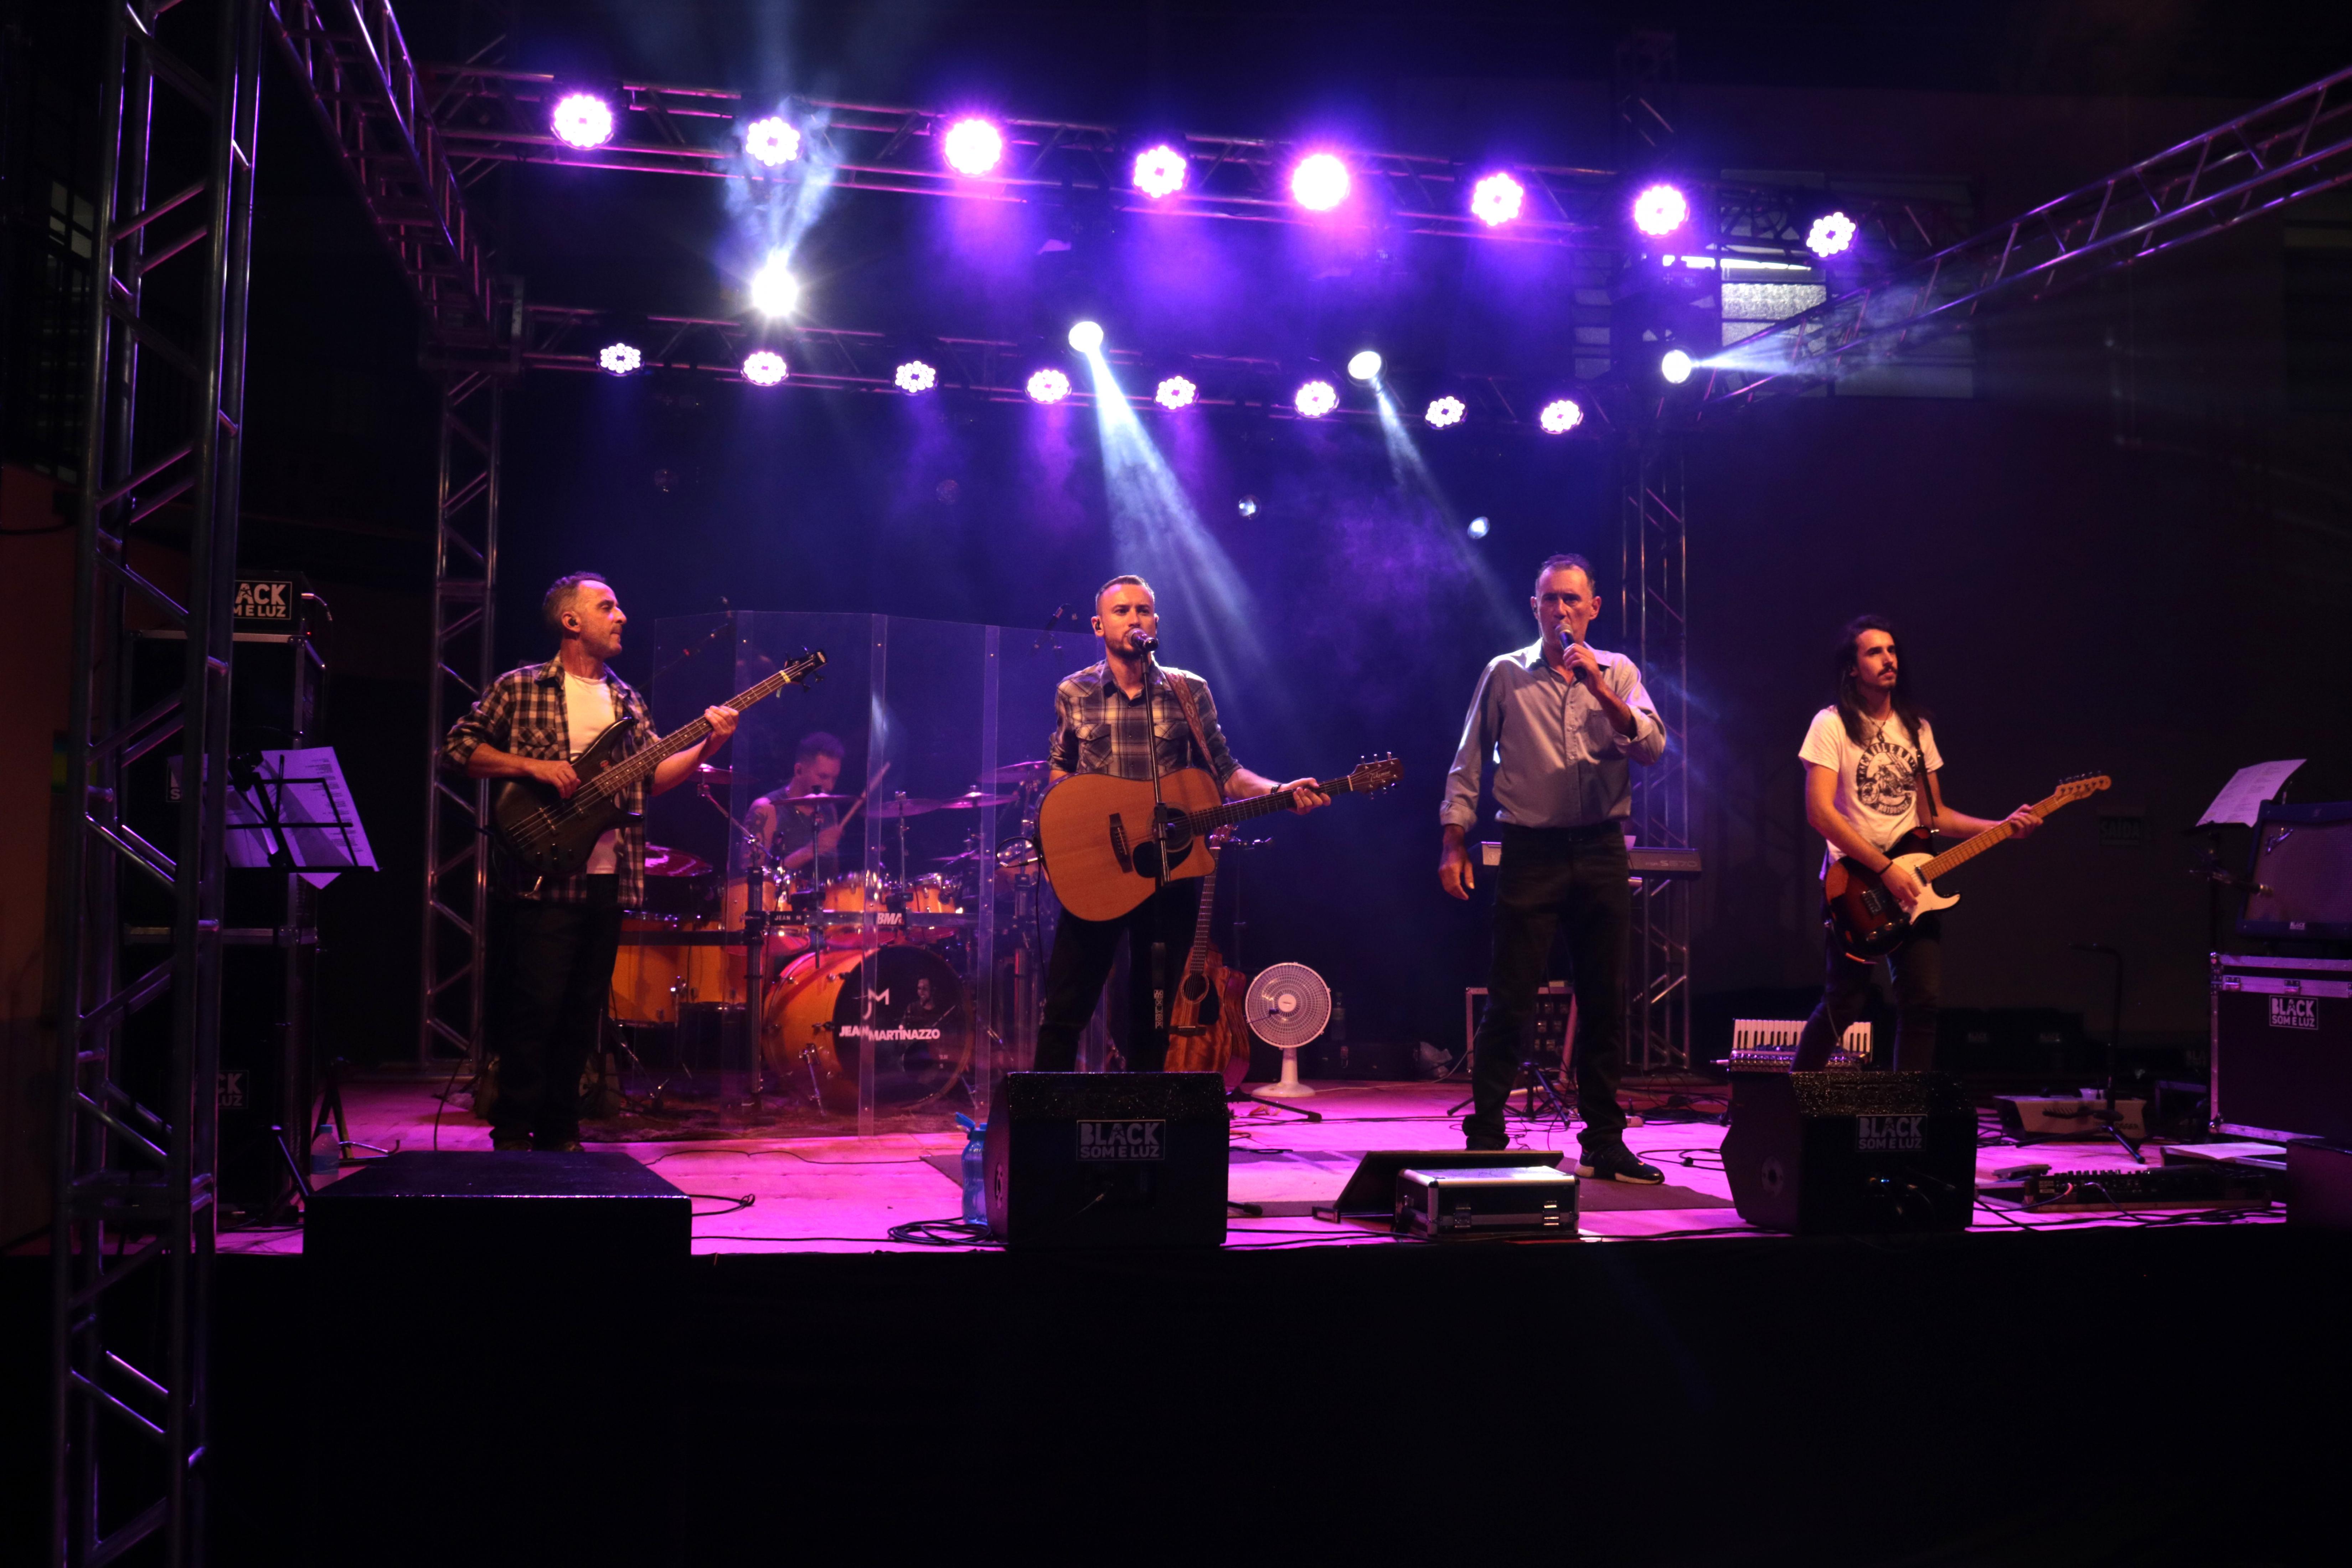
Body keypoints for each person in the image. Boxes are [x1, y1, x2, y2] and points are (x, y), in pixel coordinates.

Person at [441, 572, 739, 1151]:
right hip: (541, 875)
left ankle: (561, 1131)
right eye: (608, 606)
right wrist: (531, 766)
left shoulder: (626, 700)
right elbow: (457, 748)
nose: (621, 616)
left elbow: (652, 778)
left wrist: (711, 743)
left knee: (582, 1015)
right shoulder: (521, 687)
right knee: (534, 1010)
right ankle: (512, 1133)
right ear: (571, 621)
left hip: (608, 879)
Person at [1037, 574, 1329, 1072]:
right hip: (1098, 869)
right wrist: (1067, 835)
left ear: (1156, 622)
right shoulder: (1075, 691)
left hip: (1168, 869)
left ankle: (1147, 1108)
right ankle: (1043, 1110)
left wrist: (1279, 791)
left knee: (1155, 1010)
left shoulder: (1188, 690)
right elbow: (1060, 768)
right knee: (1068, 1003)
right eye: (1122, 611)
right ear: (1099, 625)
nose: (1134, 619)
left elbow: (1227, 772)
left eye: (1143, 611)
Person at [1440, 553, 1667, 1182]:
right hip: (1531, 849)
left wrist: (1598, 688)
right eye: (1550, 599)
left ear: (1594, 607)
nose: (1561, 610)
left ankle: (1604, 1141)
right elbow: (1467, 763)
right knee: (1510, 997)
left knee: (1604, 999)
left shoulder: (1618, 671)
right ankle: (1487, 1135)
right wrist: (1453, 842)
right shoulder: (1505, 673)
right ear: (1534, 607)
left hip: (1600, 847)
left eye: (1572, 599)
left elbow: (1653, 747)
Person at [1791, 615, 2039, 1072]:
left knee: (1922, 1002)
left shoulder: (1917, 727)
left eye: (1892, 650)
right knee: (1845, 1001)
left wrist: (2002, 826)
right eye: (1874, 652)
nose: (1889, 659)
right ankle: (1789, 1102)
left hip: (1916, 885)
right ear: (1852, 667)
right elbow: (1820, 813)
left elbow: (1934, 815)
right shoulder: (1831, 724)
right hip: (1856, 883)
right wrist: (1885, 869)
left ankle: (1907, 1108)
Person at [749, 731, 847, 877]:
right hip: (780, 894)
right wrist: (809, 851)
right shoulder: (767, 808)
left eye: (835, 779)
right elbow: (750, 880)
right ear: (799, 771)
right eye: (823, 777)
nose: (830, 787)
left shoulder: (829, 809)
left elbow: (833, 876)